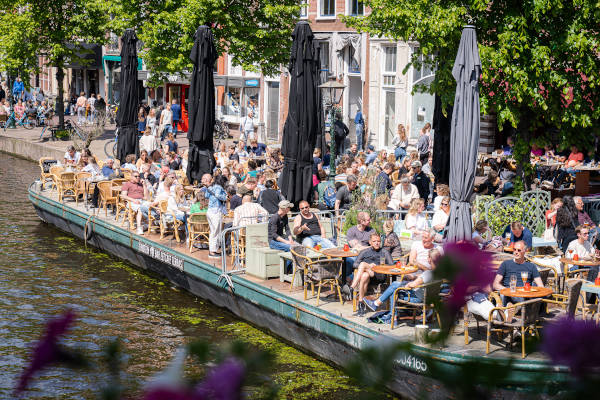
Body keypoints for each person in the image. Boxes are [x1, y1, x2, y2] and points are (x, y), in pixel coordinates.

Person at [363, 248, 441, 312]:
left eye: (428, 257)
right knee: (396, 285)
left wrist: (407, 284)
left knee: (395, 287)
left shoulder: (428, 273)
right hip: (428, 297)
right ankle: (387, 313)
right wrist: (413, 277)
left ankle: (379, 306)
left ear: (429, 259)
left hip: (417, 299)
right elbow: (424, 279)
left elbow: (412, 285)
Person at [493, 241, 544, 305]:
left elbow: (541, 286)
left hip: (526, 294)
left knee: (534, 297)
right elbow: (495, 284)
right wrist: (508, 290)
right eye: (514, 249)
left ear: (524, 251)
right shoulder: (505, 264)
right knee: (511, 296)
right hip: (511, 293)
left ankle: (515, 308)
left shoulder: (531, 266)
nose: (516, 252)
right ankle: (513, 308)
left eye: (519, 250)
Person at [350, 233, 394, 303]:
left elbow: (392, 265)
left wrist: (377, 267)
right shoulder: (364, 252)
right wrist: (368, 267)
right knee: (364, 275)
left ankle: (352, 287)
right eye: (374, 241)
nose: (376, 243)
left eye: (378, 241)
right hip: (368, 275)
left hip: (379, 276)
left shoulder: (384, 252)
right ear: (370, 242)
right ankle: (361, 302)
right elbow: (354, 264)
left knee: (362, 264)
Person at [201, 173, 228, 258]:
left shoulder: (211, 187)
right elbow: (222, 198)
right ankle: (212, 252)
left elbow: (206, 195)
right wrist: (225, 197)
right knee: (215, 232)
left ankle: (213, 249)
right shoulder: (219, 187)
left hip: (210, 211)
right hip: (216, 211)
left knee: (213, 231)